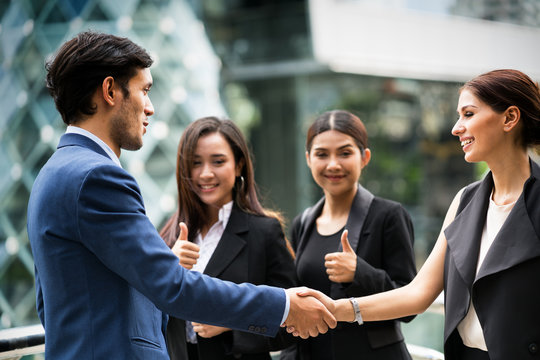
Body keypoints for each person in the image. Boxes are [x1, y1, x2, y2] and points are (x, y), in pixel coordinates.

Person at [26, 31, 336, 359]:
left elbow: (50, 305)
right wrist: (283, 304)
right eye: (144, 91)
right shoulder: (97, 177)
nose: (150, 108)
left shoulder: (50, 175)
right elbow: (173, 287)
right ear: (110, 90)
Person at [296, 69, 540, 360]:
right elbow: (418, 293)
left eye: (468, 114)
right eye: (459, 115)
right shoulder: (465, 201)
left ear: (510, 118)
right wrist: (337, 309)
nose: (456, 128)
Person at [281, 110, 417, 360]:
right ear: (309, 159)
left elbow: (409, 303)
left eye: (345, 153)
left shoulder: (388, 216)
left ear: (364, 157)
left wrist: (360, 273)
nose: (333, 164)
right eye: (322, 154)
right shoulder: (303, 223)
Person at [160, 116, 297, 359]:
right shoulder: (170, 234)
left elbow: (293, 321)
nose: (205, 174)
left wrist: (233, 323)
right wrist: (167, 269)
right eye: (195, 163)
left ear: (239, 165)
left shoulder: (264, 232)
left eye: (218, 161)